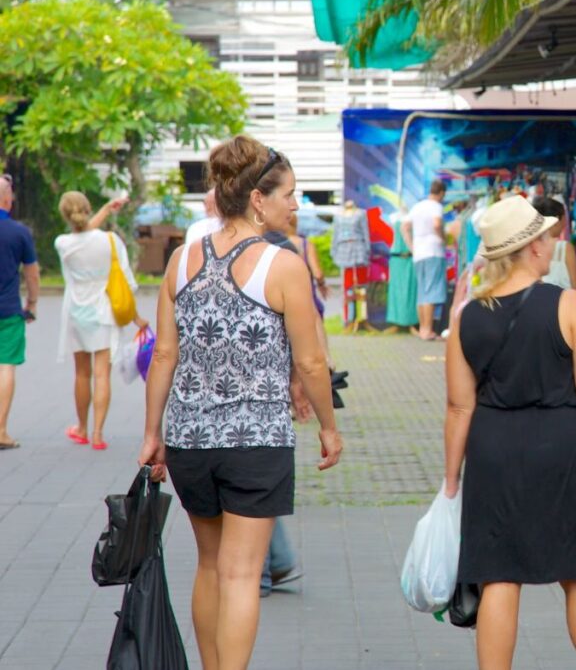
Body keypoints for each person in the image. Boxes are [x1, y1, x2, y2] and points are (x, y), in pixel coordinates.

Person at [138, 135, 343, 670]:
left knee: (209, 567)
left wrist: (152, 433)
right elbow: (312, 363)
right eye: (290, 194)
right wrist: (328, 426)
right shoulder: (283, 266)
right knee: (241, 574)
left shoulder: (181, 261)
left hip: (189, 439)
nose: (295, 205)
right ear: (258, 199)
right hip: (256, 442)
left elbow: (163, 355)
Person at [444, 197, 576, 670]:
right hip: (559, 447)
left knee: (499, 578)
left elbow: (459, 406)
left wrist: (451, 478)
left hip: (492, 450)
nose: (551, 242)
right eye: (546, 236)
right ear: (534, 247)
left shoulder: (467, 316)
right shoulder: (569, 305)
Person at [55, 191, 148, 450]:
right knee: (102, 374)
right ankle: (98, 434)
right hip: (103, 312)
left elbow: (83, 234)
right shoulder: (110, 241)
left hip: (75, 313)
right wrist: (136, 317)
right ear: (87, 209)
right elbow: (128, 282)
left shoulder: (62, 243)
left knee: (81, 374)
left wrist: (105, 210)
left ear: (65, 214)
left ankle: (81, 428)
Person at [0, 174, 39, 450]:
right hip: (8, 310)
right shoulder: (19, 232)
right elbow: (32, 274)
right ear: (7, 199)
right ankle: (1, 430)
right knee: (6, 366)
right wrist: (32, 302)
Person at [402, 179, 447, 340]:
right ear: (441, 193)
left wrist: (411, 246)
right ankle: (428, 330)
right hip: (433, 251)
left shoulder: (417, 206)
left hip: (419, 253)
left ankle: (422, 328)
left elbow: (404, 227)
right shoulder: (436, 207)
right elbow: (436, 224)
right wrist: (443, 239)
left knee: (422, 291)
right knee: (431, 291)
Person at [533, 196, 576, 292]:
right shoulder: (565, 248)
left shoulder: (533, 248)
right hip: (566, 305)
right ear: (556, 220)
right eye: (564, 219)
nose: (565, 225)